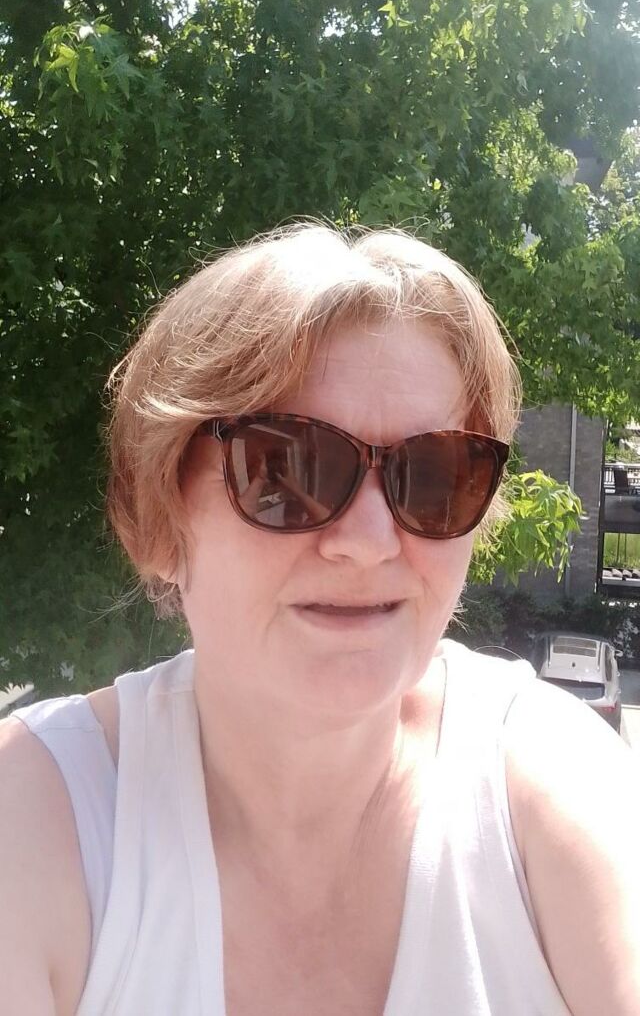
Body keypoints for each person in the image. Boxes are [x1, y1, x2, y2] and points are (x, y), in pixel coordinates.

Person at [1, 223, 638, 1016]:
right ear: (159, 518)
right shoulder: (41, 812)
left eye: (435, 474)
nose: (370, 540)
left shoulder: (549, 778)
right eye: (286, 469)